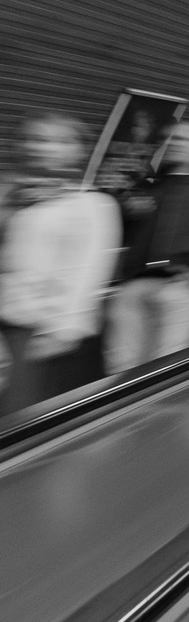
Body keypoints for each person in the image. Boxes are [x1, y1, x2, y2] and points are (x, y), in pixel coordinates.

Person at [0, 112, 121, 414]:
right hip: (6, 324)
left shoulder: (91, 205)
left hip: (38, 332)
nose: (42, 147)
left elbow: (88, 272)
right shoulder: (12, 196)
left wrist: (64, 330)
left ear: (77, 150)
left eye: (56, 142)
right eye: (35, 139)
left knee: (23, 416)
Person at [105, 120, 189, 374]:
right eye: (170, 139)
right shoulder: (146, 185)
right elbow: (122, 230)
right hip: (135, 286)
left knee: (167, 367)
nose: (174, 144)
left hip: (181, 287)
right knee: (121, 365)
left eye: (183, 139)